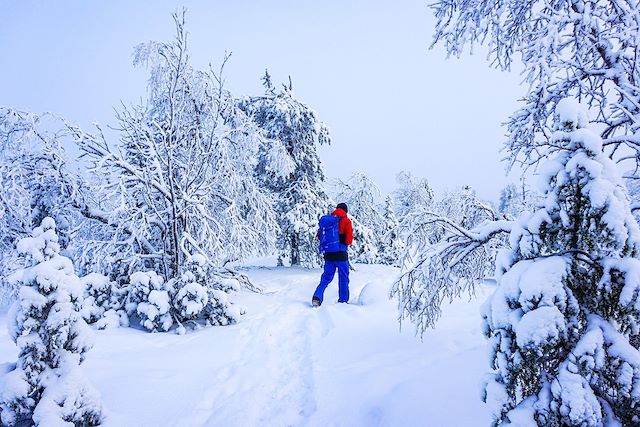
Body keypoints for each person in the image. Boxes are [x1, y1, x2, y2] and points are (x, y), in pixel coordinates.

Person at [312, 203, 353, 306]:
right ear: (345, 210)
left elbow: (319, 236)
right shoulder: (346, 221)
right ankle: (343, 302)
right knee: (343, 278)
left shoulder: (328, 221)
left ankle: (317, 297)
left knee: (326, 277)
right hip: (341, 255)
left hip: (329, 255)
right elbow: (348, 240)